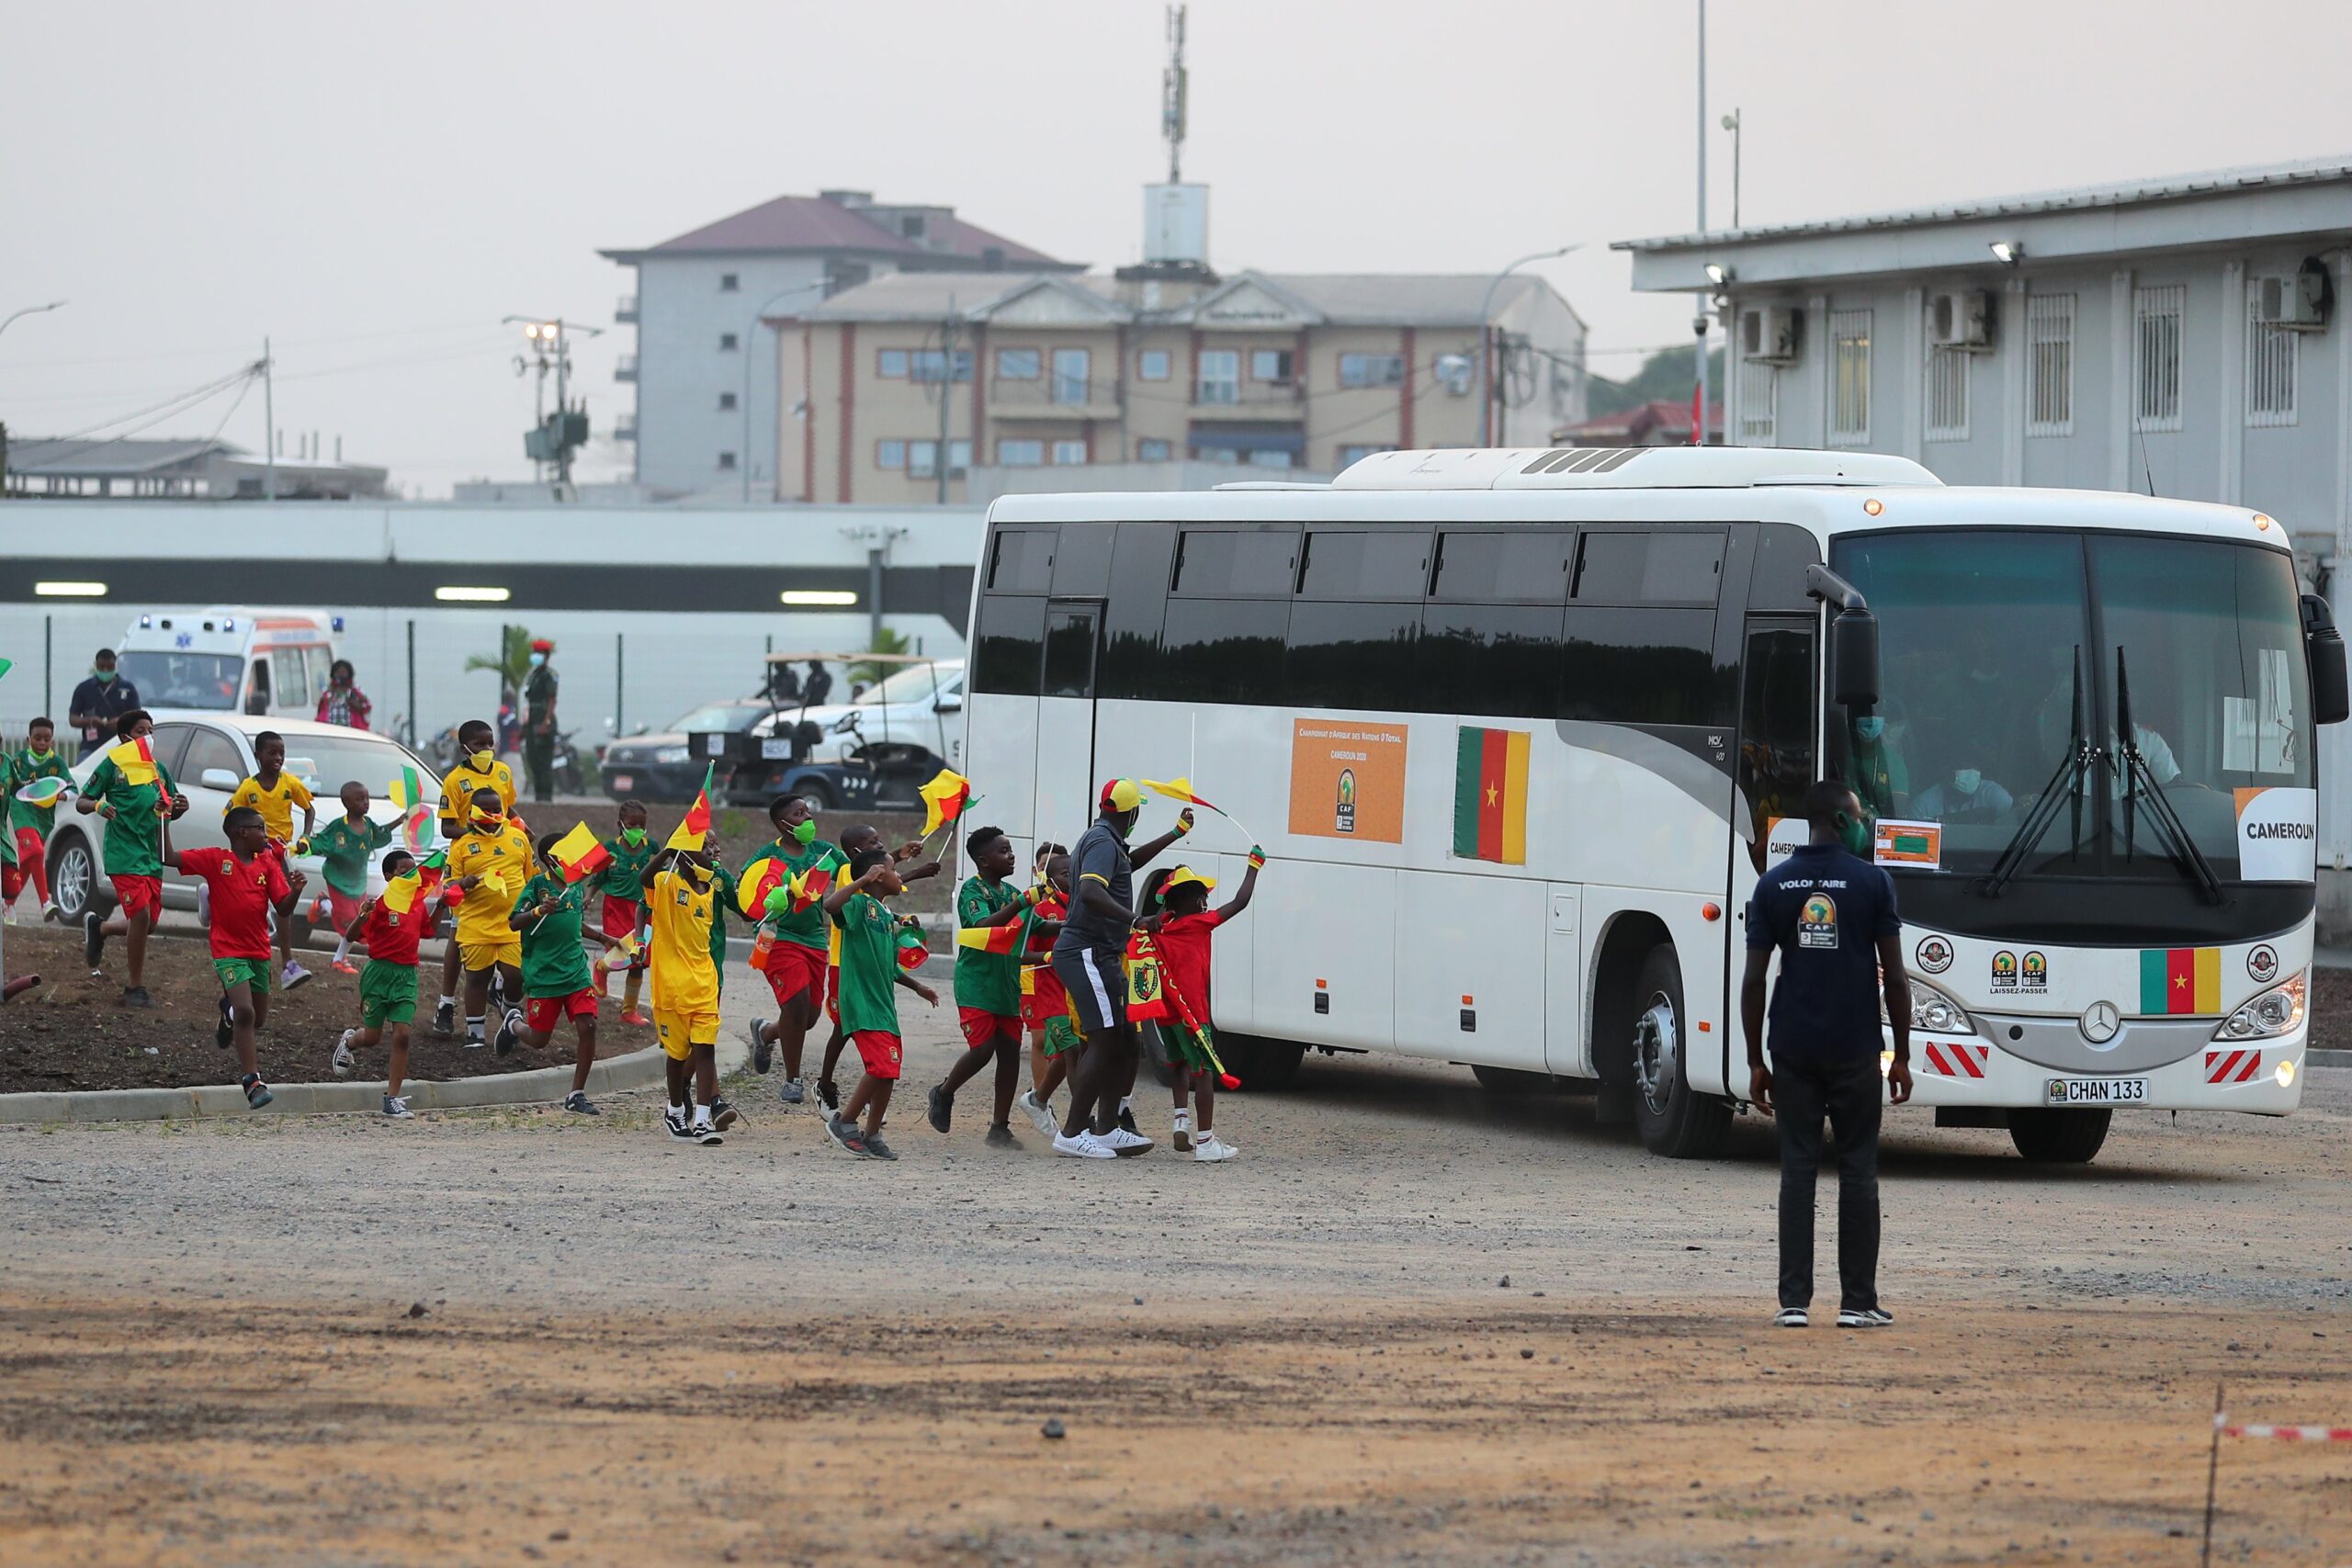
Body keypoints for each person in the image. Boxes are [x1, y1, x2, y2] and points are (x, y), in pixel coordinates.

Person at [1740, 778, 1912, 1331]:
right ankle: (1858, 1303)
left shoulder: (1774, 884)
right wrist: (1902, 1055)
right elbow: (1897, 980)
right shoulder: (1873, 883)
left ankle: (1793, 1303)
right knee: (1858, 1170)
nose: (1864, 823)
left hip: (1792, 1048)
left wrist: (1754, 1061)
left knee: (1798, 1170)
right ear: (1841, 821)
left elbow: (1753, 980)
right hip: (1855, 1048)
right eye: (1859, 816)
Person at [1050, 779, 1193, 1159]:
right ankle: (1072, 1131)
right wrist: (1136, 920)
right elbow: (1092, 892)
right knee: (1104, 1038)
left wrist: (1174, 834)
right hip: (1085, 951)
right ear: (1132, 813)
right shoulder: (1100, 842)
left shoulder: (1108, 841)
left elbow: (1130, 864)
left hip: (1102, 954)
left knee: (1128, 1039)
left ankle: (1107, 1127)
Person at [164, 803, 303, 1111]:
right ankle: (252, 1082)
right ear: (242, 833)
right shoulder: (216, 859)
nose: (266, 836)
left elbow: (282, 908)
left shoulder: (267, 864)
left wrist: (294, 891)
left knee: (257, 1018)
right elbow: (169, 857)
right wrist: (165, 819)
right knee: (246, 1013)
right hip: (228, 951)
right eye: (261, 829)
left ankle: (227, 1013)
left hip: (258, 952)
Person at [1136, 852, 1262, 1163]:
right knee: (1203, 1073)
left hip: (1168, 1015)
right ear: (1184, 901)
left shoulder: (1160, 926)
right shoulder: (1200, 924)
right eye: (1199, 894)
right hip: (1193, 1013)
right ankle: (1205, 1142)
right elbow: (1240, 902)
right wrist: (1253, 868)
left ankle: (1181, 1118)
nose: (1205, 899)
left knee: (1178, 1064)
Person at [821, 843, 942, 1158]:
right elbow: (830, 905)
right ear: (876, 876)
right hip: (861, 1000)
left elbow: (889, 966)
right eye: (892, 869)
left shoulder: (887, 915)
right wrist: (861, 881)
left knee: (890, 1069)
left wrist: (917, 987)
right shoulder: (860, 903)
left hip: (882, 1003)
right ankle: (844, 1122)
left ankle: (872, 1133)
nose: (898, 874)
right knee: (880, 1065)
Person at [496, 831, 618, 1114]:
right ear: (550, 859)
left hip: (575, 971)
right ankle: (514, 1022)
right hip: (544, 973)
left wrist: (602, 939)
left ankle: (576, 1094)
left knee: (588, 1026)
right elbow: (514, 923)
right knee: (540, 1039)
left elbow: (574, 923)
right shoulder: (537, 885)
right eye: (565, 852)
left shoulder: (575, 887)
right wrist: (539, 910)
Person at [924, 825, 1031, 1148]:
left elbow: (1037, 926)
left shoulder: (1013, 893)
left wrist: (1067, 924)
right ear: (983, 861)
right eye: (1004, 851)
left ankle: (1000, 1126)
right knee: (983, 1050)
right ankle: (943, 1093)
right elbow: (983, 926)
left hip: (1007, 984)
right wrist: (1024, 902)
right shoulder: (973, 892)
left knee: (1010, 1053)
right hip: (977, 985)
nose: (1011, 855)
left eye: (1011, 849)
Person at [77, 708, 190, 1007]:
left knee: (148, 923)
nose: (149, 737)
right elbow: (82, 801)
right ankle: (134, 988)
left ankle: (100, 929)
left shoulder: (159, 771)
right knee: (139, 916)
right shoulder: (112, 766)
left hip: (151, 855)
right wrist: (99, 806)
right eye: (142, 731)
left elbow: (169, 810)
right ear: (126, 737)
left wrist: (179, 806)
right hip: (123, 853)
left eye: (151, 731)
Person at [740, 794, 845, 1105]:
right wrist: (777, 895)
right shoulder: (766, 857)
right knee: (796, 1004)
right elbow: (746, 893)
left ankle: (767, 1033)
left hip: (814, 939)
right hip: (780, 937)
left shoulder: (824, 852)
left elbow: (858, 873)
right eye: (799, 814)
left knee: (809, 1017)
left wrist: (899, 860)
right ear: (782, 824)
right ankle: (793, 1080)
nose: (808, 819)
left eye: (808, 812)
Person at [330, 849, 446, 1118]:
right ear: (388, 875)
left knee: (403, 1036)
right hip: (378, 975)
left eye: (413, 870)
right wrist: (363, 915)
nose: (411, 876)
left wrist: (441, 905)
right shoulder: (379, 904)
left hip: (406, 976)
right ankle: (350, 1040)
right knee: (372, 1037)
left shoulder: (416, 903)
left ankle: (391, 1098)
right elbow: (351, 934)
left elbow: (428, 930)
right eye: (404, 871)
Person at [431, 720, 518, 1036]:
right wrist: (478, 830)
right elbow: (446, 827)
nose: (486, 750)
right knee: (458, 935)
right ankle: (445, 1003)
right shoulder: (455, 780)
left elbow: (508, 811)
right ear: (465, 747)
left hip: (504, 860)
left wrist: (520, 825)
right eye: (480, 745)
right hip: (468, 866)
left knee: (511, 924)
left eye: (490, 743)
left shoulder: (504, 772)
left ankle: (500, 988)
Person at [642, 844, 730, 1145]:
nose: (714, 852)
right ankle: (675, 1109)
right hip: (671, 987)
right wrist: (669, 851)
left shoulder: (710, 887)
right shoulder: (668, 884)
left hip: (704, 982)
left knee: (705, 1050)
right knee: (678, 1055)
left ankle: (704, 1120)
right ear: (688, 857)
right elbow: (644, 877)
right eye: (707, 848)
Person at [227, 730, 319, 990]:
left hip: (279, 853)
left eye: (281, 753)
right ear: (258, 756)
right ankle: (213, 897)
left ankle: (288, 964)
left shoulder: (290, 783)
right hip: (255, 853)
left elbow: (310, 809)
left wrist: (305, 837)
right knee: (248, 902)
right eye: (272, 753)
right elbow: (231, 818)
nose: (278, 757)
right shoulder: (248, 788)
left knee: (283, 904)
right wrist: (238, 849)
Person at [447, 786, 532, 1048]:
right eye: (488, 810)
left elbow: (530, 876)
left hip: (512, 924)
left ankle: (508, 1010)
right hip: (475, 925)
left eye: (498, 809)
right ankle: (475, 1035)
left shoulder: (518, 839)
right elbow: (448, 887)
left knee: (517, 974)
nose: (494, 814)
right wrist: (463, 883)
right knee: (476, 979)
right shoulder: (462, 846)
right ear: (473, 812)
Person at [1012, 844, 1072, 1138]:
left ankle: (1044, 1101)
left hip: (1069, 988)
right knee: (1040, 1040)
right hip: (1036, 983)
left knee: (1070, 1048)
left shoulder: (1078, 901)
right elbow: (1020, 951)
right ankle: (1041, 1100)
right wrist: (1048, 958)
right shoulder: (1036, 907)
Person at [305, 782, 393, 973]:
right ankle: (338, 959)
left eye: (367, 798)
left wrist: (401, 820)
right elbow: (320, 842)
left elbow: (381, 834)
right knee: (351, 922)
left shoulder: (369, 825)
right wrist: (305, 845)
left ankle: (323, 904)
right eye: (360, 799)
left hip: (358, 882)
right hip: (338, 880)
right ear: (346, 803)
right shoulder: (338, 827)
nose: (365, 802)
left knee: (360, 920)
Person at [594, 799, 656, 1021]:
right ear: (620, 824)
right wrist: (588, 896)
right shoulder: (610, 848)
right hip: (616, 907)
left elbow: (660, 874)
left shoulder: (651, 848)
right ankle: (601, 967)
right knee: (620, 950)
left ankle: (629, 1011)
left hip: (643, 908)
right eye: (632, 825)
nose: (637, 830)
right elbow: (599, 876)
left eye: (641, 825)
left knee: (638, 960)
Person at [4, 716, 69, 921]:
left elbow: (73, 789)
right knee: (36, 851)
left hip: (44, 818)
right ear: (28, 739)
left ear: (53, 741)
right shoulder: (18, 760)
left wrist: (58, 795)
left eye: (46, 739)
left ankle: (8, 903)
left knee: (30, 860)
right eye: (37, 738)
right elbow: (11, 784)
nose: (41, 743)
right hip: (22, 811)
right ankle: (45, 902)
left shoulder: (57, 763)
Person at [67, 649, 141, 762]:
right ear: (96, 665)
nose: (105, 670)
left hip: (121, 745)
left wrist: (121, 722)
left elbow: (138, 718)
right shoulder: (84, 688)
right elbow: (73, 719)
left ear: (115, 665)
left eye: (109, 667)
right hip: (91, 747)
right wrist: (91, 721)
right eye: (102, 667)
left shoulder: (128, 688)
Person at [1844, 703, 1909, 817]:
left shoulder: (1893, 760)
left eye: (1877, 714)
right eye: (1865, 714)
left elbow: (1897, 809)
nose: (1872, 719)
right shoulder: (1838, 753)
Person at [523, 638, 560, 804]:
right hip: (532, 720)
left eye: (538, 653)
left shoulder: (549, 675)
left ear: (546, 656)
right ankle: (538, 796)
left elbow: (552, 700)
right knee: (533, 760)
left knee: (544, 762)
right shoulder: (533, 675)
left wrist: (546, 722)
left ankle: (546, 797)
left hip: (544, 719)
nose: (535, 656)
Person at [1911, 767, 2016, 824]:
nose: (1967, 772)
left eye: (1971, 765)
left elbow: (2009, 828)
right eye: (1961, 766)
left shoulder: (1995, 796)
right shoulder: (1924, 804)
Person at [316, 659, 373, 730]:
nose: (341, 675)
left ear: (349, 674)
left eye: (343, 672)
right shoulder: (327, 691)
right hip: (329, 730)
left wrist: (354, 703)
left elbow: (367, 706)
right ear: (333, 674)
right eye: (338, 672)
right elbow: (321, 708)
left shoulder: (356, 690)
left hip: (352, 731)